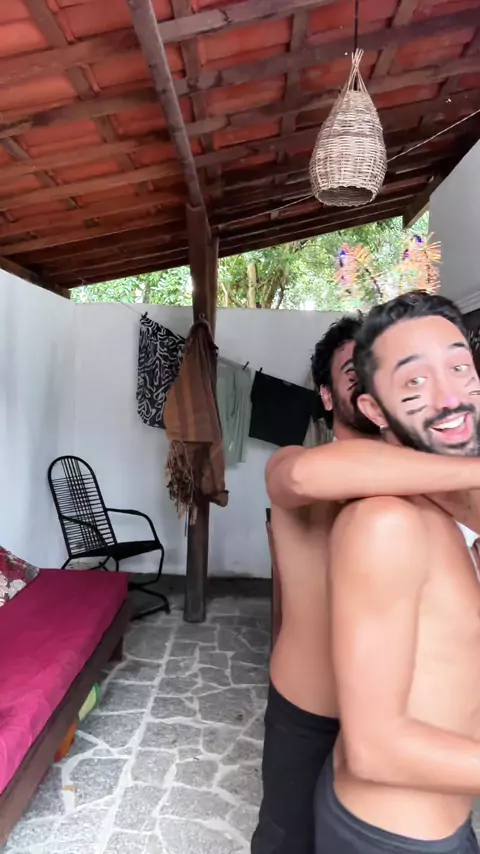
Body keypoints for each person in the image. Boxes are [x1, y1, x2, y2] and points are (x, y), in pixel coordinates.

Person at [252, 314, 480, 854]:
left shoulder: (432, 480)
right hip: (311, 714)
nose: (364, 381)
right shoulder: (300, 463)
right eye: (351, 374)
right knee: (287, 841)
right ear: (327, 396)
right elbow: (304, 478)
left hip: (398, 727)